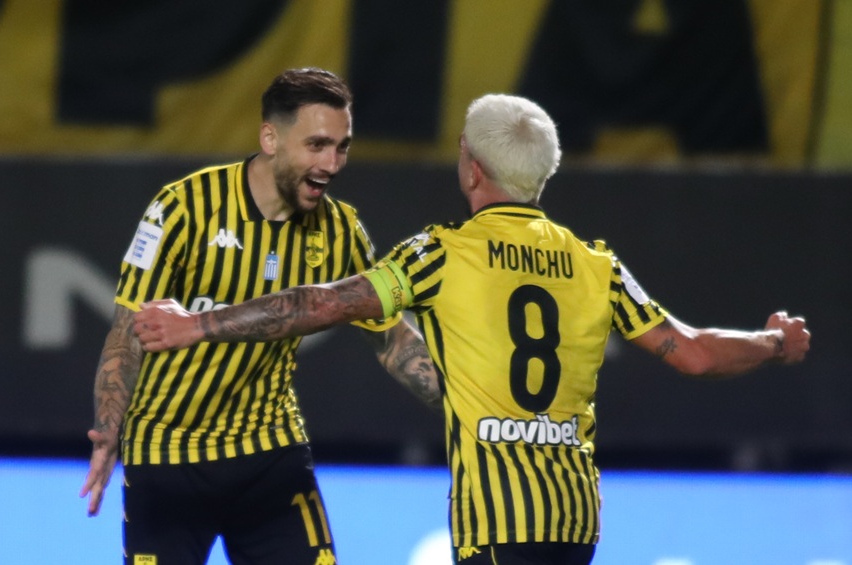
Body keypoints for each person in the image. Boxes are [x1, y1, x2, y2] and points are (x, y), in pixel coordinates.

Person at [132, 94, 811, 565]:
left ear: (471, 165)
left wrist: (201, 324)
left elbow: (326, 303)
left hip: (496, 525)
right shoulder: (596, 264)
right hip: (575, 523)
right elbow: (694, 352)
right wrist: (775, 342)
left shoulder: (440, 254)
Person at [79, 67, 440, 565]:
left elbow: (391, 339)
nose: (332, 163)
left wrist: (469, 407)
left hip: (269, 451)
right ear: (270, 138)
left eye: (342, 147)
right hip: (167, 456)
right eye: (317, 145)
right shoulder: (184, 208)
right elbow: (127, 334)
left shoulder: (341, 231)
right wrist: (108, 430)